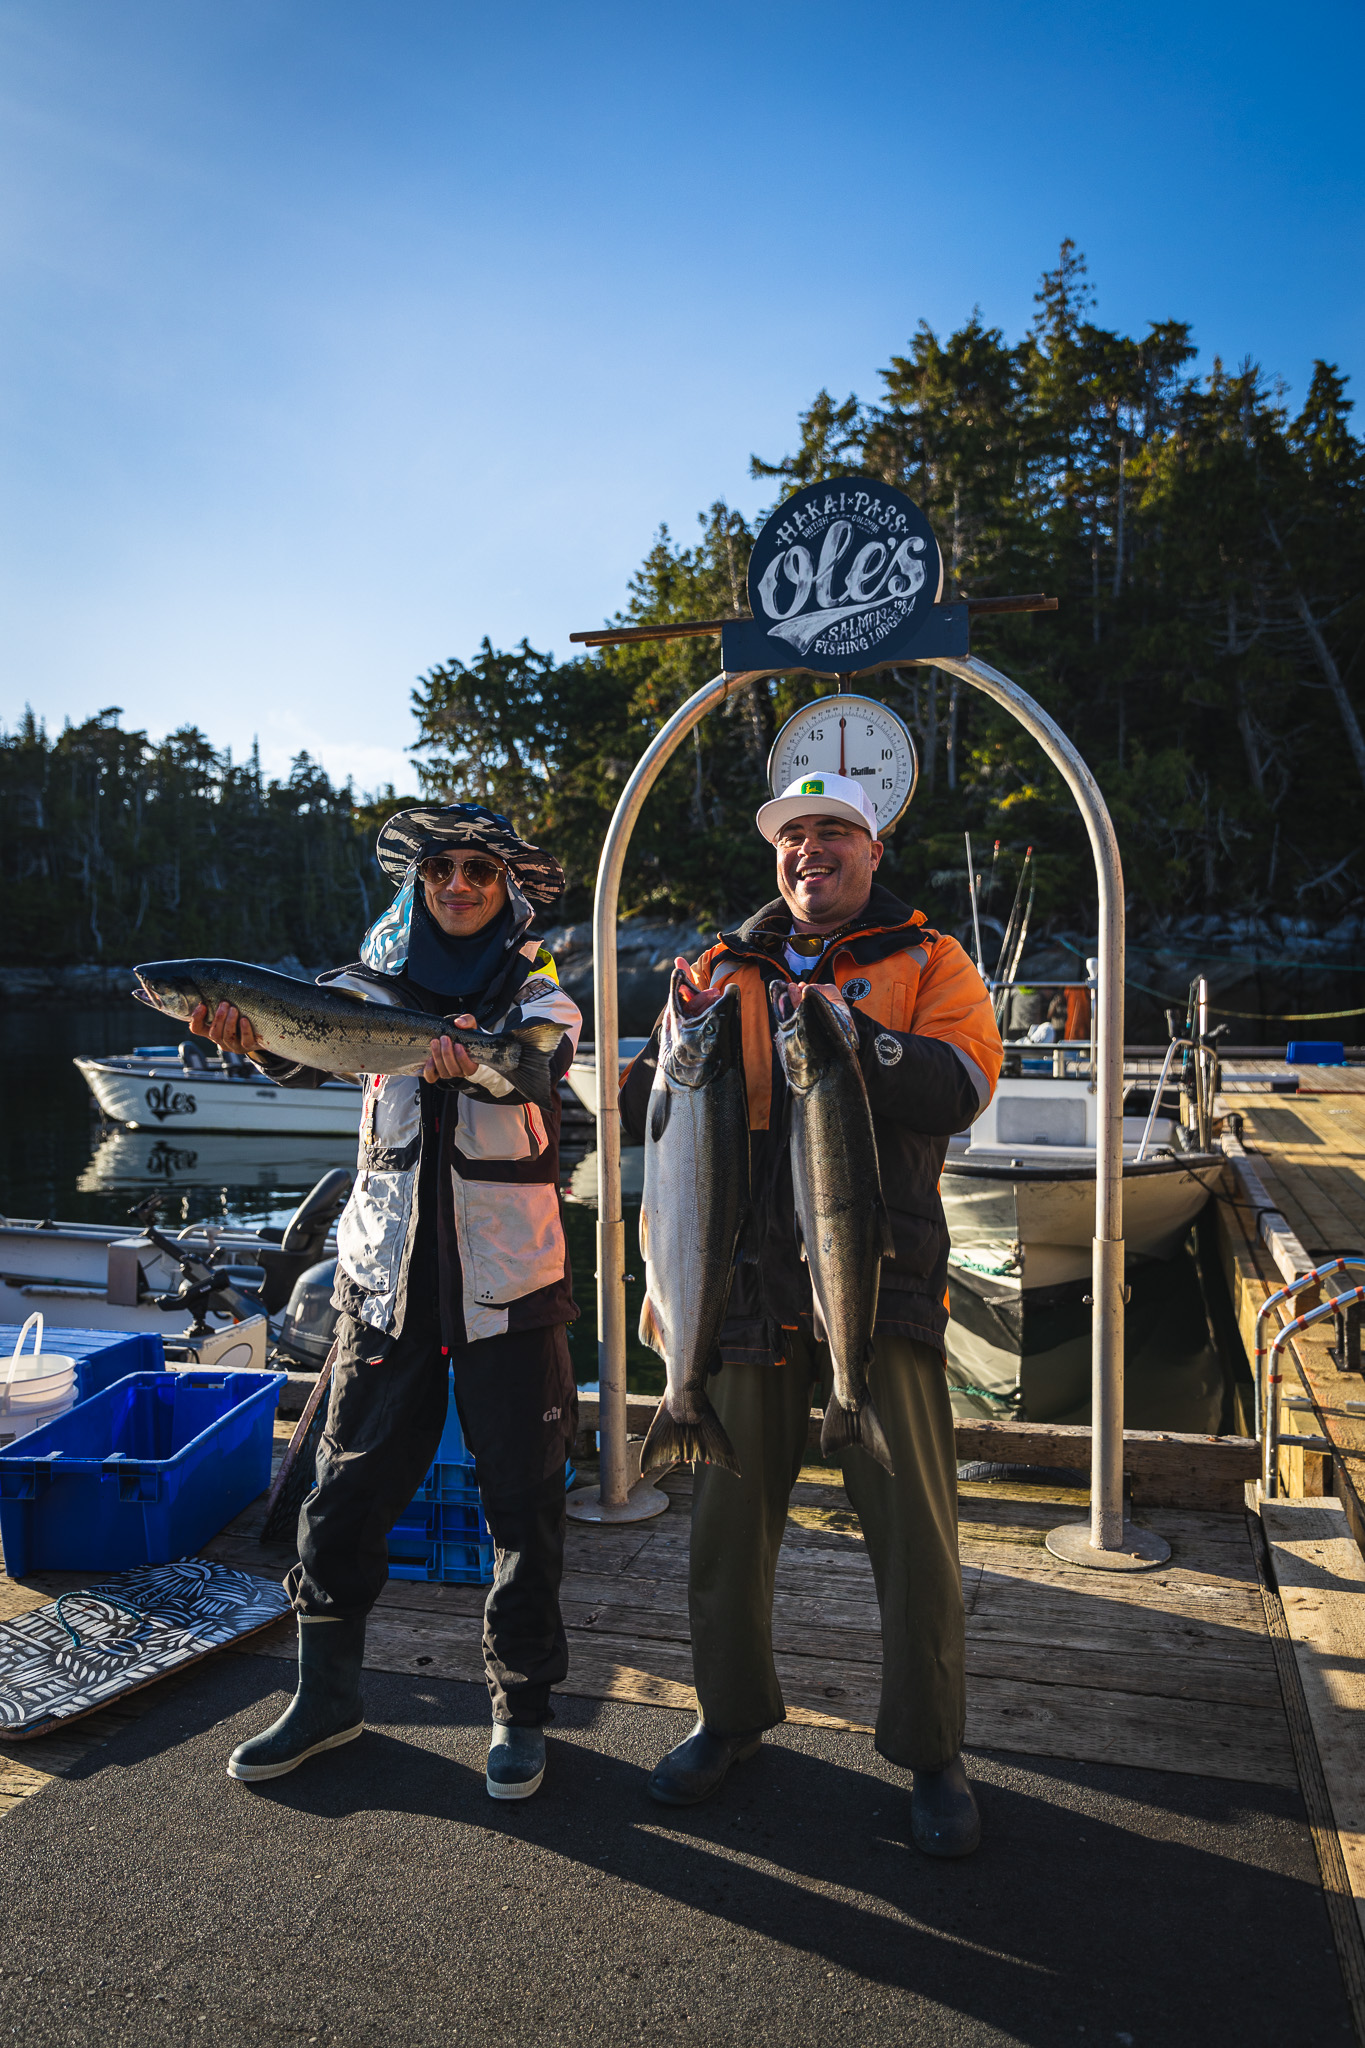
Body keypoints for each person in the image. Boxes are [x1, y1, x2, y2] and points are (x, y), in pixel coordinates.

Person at [620, 772, 1002, 1857]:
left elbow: (964, 1083)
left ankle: (934, 1749)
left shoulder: (930, 961)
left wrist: (858, 1041)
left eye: (833, 833)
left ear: (874, 850)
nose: (810, 852)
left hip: (881, 1292)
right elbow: (657, 1098)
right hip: (738, 1294)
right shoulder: (716, 970)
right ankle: (727, 1717)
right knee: (725, 1532)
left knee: (916, 1535)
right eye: (794, 837)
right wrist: (641, 1050)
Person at [199, 804, 582, 1801]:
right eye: (440, 868)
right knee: (344, 1491)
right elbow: (301, 1044)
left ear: (508, 889)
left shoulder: (541, 988)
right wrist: (249, 1040)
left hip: (513, 1285)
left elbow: (542, 1063)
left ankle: (520, 1708)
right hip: (385, 1282)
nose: (457, 882)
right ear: (415, 884)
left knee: (524, 1502)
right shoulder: (362, 986)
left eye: (479, 870)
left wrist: (489, 1060)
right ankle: (326, 1696)